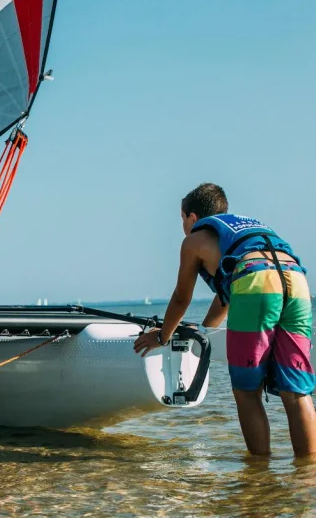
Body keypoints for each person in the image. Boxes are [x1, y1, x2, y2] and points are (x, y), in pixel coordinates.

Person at [133, 183, 316, 457]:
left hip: (255, 281)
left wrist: (162, 336)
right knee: (296, 391)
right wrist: (205, 332)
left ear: (192, 217)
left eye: (182, 219)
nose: (183, 226)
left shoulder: (194, 240)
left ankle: (258, 473)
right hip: (297, 282)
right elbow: (226, 296)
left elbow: (182, 298)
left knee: (247, 390)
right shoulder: (246, 228)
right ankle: (308, 476)